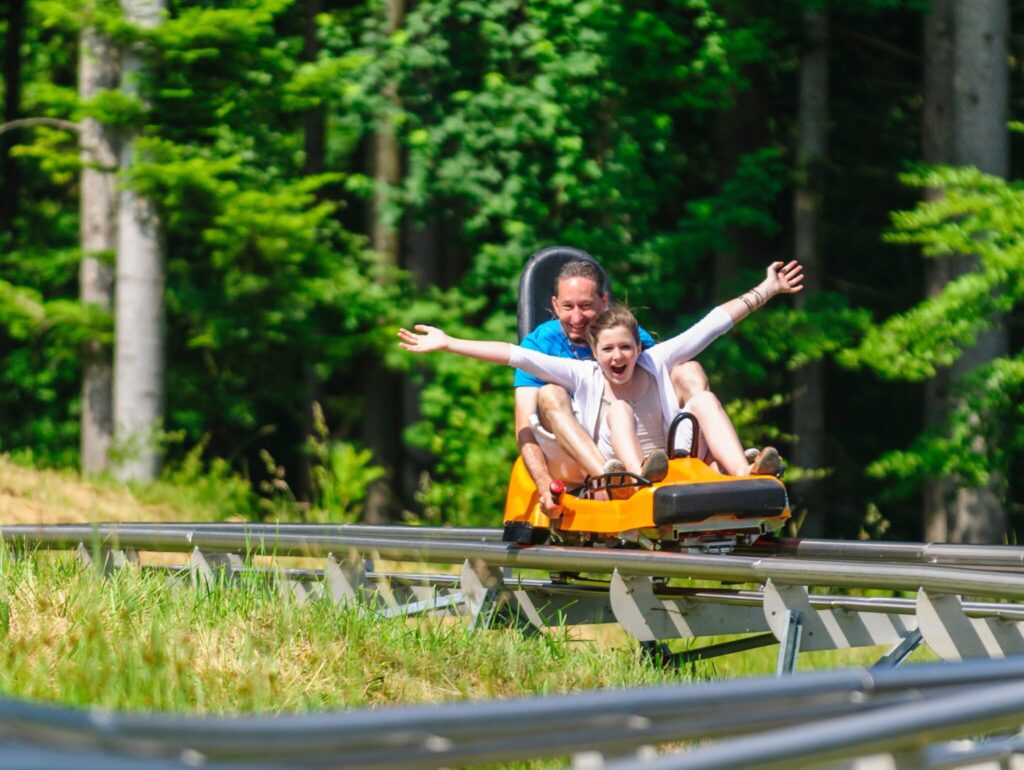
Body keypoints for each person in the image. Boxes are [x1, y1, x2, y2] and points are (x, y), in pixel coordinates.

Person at [398, 261, 804, 502]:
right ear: (594, 352)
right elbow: (513, 354)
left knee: (703, 399)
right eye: (608, 351)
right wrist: (449, 343)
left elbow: (714, 324)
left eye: (626, 349)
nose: (617, 358)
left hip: (670, 453)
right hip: (626, 465)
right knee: (620, 409)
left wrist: (767, 289)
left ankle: (743, 476)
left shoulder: (656, 358)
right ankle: (629, 482)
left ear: (638, 345)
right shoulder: (582, 372)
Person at [513, 259, 790, 515]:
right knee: (553, 393)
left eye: (585, 306)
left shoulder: (629, 339)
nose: (576, 317)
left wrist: (767, 289)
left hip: (639, 444)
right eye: (568, 306)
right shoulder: (543, 348)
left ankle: (719, 467)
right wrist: (543, 484)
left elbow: (711, 326)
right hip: (578, 457)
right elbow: (523, 425)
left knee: (689, 370)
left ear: (604, 302)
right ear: (555, 305)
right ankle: (613, 481)